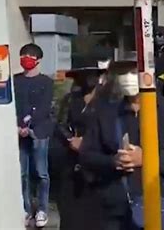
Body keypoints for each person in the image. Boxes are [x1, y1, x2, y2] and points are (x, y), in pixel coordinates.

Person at [79, 60, 164, 230]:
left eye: (134, 72)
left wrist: (147, 159)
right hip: (113, 207)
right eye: (123, 73)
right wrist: (113, 161)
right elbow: (87, 155)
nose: (128, 78)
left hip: (156, 203)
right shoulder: (105, 112)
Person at [54, 62, 107, 230]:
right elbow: (60, 124)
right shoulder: (70, 100)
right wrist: (71, 140)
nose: (89, 79)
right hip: (73, 163)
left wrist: (90, 143)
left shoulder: (109, 101)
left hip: (100, 162)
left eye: (93, 75)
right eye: (84, 76)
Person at [14, 43, 54, 227]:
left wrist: (27, 124)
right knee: (23, 174)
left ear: (38, 60)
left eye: (29, 56)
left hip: (39, 132)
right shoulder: (15, 81)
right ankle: (26, 210)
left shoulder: (46, 82)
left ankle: (42, 210)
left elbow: (45, 108)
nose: (25, 59)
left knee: (41, 172)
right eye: (23, 56)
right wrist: (18, 125)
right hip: (18, 133)